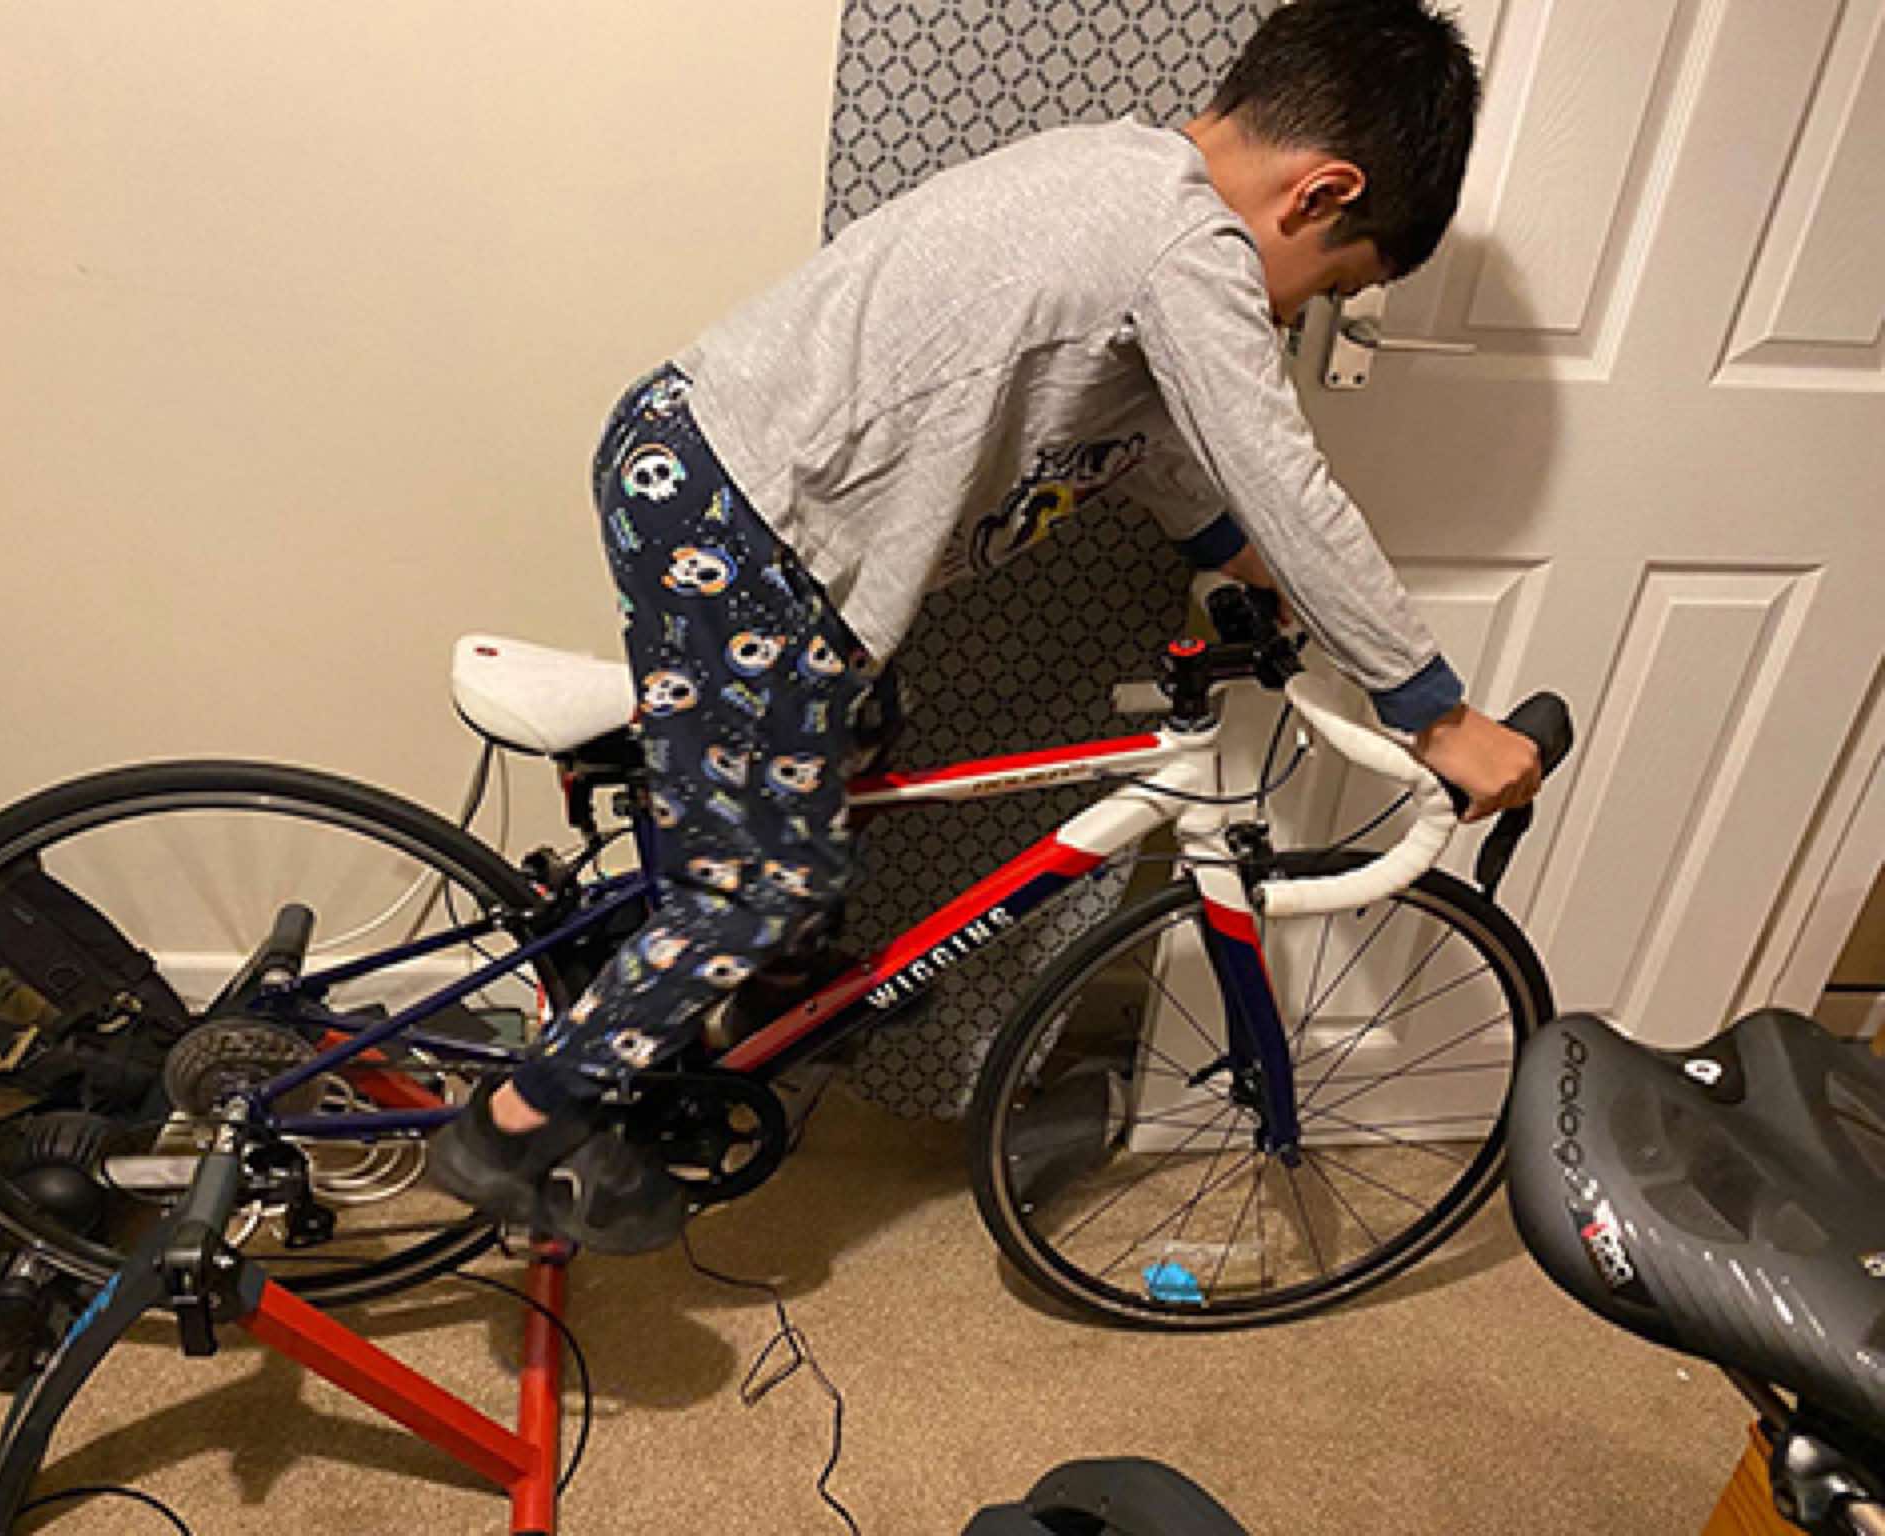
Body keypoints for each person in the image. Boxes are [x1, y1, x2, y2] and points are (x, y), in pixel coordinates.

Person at [429, 0, 1540, 1241]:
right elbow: (1278, 472)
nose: (1293, 319)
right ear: (1320, 192)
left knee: (854, 739)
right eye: (1327, 287)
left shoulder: (1121, 179)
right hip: (733, 505)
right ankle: (514, 1127)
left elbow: (1157, 444)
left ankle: (759, 994)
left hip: (732, 488)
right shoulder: (1187, 247)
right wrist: (1432, 712)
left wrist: (1243, 566)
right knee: (753, 881)